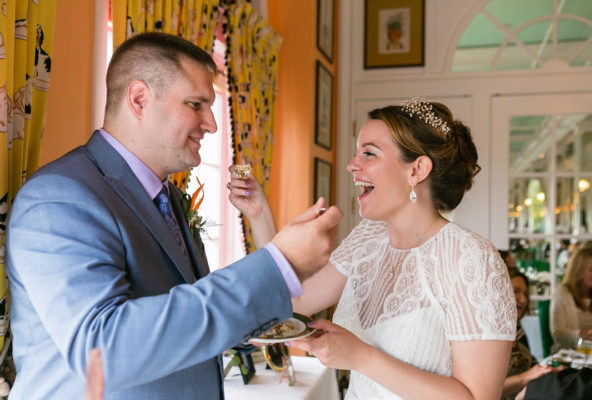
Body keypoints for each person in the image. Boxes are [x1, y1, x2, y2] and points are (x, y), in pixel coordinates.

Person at [6, 32, 343, 399]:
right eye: (196, 104)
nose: (212, 124)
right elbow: (102, 351)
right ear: (139, 99)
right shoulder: (60, 197)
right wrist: (279, 265)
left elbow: (182, 322)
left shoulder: (169, 198)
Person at [229, 99, 517, 399]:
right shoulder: (368, 238)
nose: (352, 165)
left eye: (369, 153)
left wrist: (360, 357)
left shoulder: (471, 258)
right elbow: (292, 301)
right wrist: (260, 214)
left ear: (417, 169)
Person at [502, 267, 559, 399]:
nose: (523, 299)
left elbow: (530, 364)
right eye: (516, 291)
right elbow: (486, 391)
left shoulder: (516, 327)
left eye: (526, 294)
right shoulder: (487, 336)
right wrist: (524, 378)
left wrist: (548, 371)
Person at [550, 247, 592, 350]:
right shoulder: (562, 294)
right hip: (572, 352)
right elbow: (557, 333)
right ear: (578, 269)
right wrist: (582, 334)